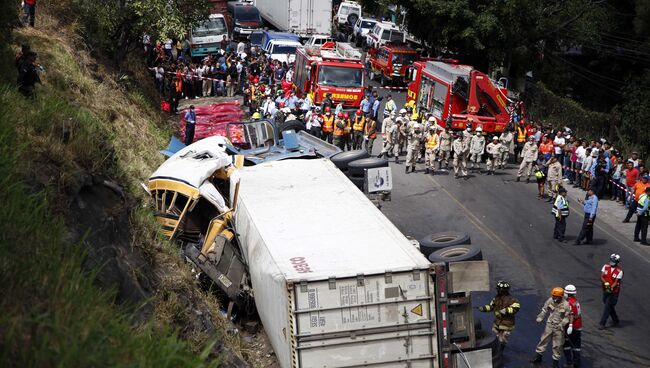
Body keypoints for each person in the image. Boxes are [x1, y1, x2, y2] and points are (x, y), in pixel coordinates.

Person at [531, 287, 571, 368]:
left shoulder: (566, 305)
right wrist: (540, 317)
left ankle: (555, 362)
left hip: (559, 327)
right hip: (550, 324)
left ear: (560, 297)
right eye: (553, 296)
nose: (554, 298)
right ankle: (538, 356)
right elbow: (544, 309)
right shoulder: (550, 300)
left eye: (555, 296)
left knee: (557, 345)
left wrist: (562, 324)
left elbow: (567, 317)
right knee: (543, 340)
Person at [478, 280, 521, 352]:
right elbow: (491, 306)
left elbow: (516, 307)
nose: (498, 291)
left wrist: (506, 310)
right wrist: (483, 308)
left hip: (507, 324)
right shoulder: (496, 298)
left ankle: (500, 350)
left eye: (499, 290)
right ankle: (498, 347)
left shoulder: (511, 299)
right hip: (497, 323)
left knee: (503, 338)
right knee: (497, 336)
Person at [599, 254, 622, 329]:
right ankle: (615, 319)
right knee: (607, 303)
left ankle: (602, 323)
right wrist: (606, 284)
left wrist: (610, 287)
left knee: (607, 306)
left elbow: (616, 282)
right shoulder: (605, 266)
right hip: (605, 289)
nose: (612, 262)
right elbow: (602, 276)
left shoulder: (619, 271)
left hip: (613, 292)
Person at [563, 285, 582, 368]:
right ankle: (576, 362)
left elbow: (572, 315)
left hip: (572, 327)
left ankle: (569, 362)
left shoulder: (569, 303)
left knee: (566, 344)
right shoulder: (575, 301)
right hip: (578, 326)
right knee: (576, 345)